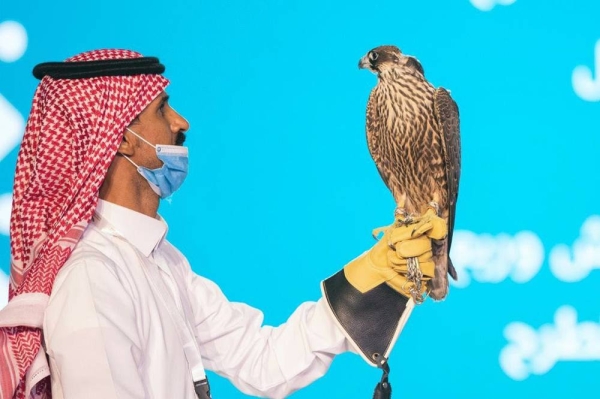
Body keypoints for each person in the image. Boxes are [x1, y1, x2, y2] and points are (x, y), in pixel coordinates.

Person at [0, 49, 446, 399]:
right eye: (163, 109)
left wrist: (369, 278)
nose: (182, 122)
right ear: (121, 141)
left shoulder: (160, 263)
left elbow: (265, 361)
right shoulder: (94, 280)